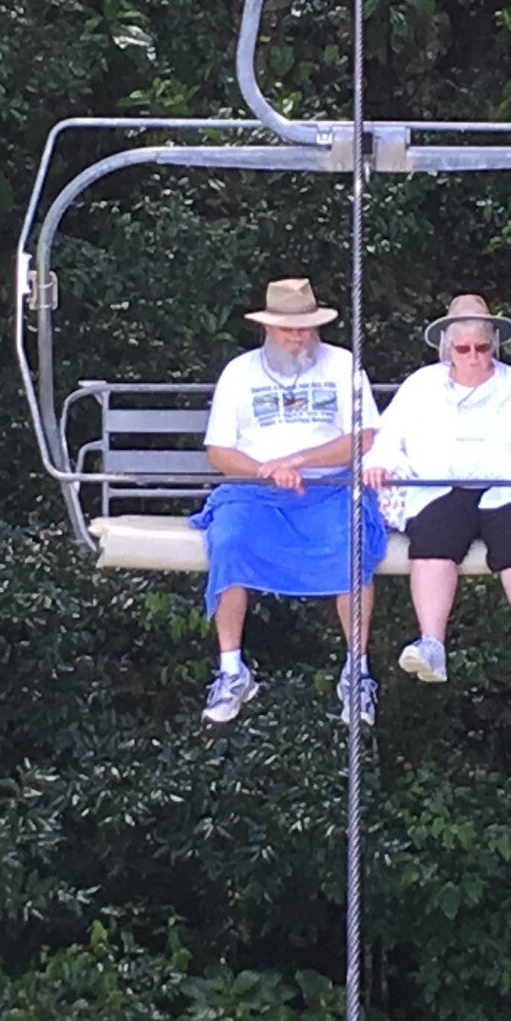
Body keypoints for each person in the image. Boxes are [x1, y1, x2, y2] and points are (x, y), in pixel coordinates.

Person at [190, 276, 386, 727]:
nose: (297, 336)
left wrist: (299, 460)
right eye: (287, 328)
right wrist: (267, 469)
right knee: (228, 540)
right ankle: (231, 670)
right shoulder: (239, 372)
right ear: (267, 327)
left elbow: (364, 437)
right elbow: (218, 453)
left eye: (305, 327)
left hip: (329, 487)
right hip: (255, 491)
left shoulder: (342, 364)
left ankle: (356, 673)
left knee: (352, 544)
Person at [364, 292, 511, 686]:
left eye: (482, 348)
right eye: (463, 349)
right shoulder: (421, 385)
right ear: (448, 349)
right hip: (440, 488)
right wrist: (379, 463)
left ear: (493, 346)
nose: (474, 357)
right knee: (434, 535)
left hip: (507, 485)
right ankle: (431, 644)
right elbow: (388, 436)